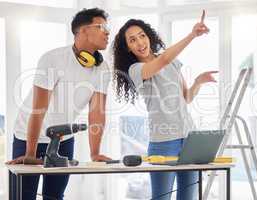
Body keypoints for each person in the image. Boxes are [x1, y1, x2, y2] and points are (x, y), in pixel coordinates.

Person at [6, 8, 111, 200]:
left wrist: (95, 154)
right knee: (23, 196)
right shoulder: (53, 59)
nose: (107, 32)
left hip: (63, 138)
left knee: (54, 196)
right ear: (83, 31)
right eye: (101, 26)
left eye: (107, 27)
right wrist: (30, 152)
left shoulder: (102, 68)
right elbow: (39, 109)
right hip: (28, 136)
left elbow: (97, 112)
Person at [113, 10, 217, 200]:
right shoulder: (135, 70)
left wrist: (198, 82)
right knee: (161, 197)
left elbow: (186, 97)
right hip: (163, 143)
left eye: (142, 36)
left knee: (189, 197)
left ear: (149, 36)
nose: (140, 43)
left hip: (189, 139)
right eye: (132, 40)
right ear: (128, 48)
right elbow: (162, 60)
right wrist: (192, 34)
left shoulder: (172, 62)